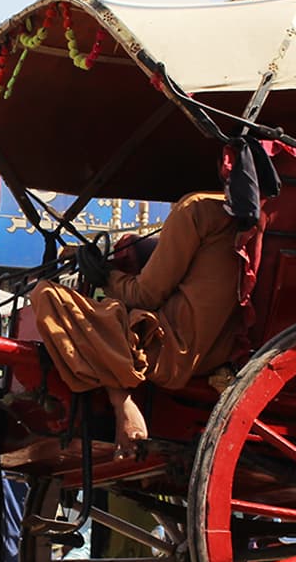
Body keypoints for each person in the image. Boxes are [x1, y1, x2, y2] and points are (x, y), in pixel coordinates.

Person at [29, 190, 247, 449]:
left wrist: (105, 277)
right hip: (218, 352)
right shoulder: (248, 212)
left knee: (47, 294)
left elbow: (145, 295)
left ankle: (123, 403)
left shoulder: (197, 208)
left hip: (171, 350)